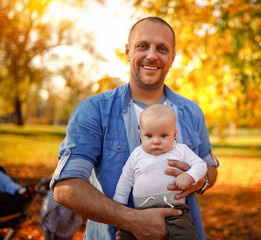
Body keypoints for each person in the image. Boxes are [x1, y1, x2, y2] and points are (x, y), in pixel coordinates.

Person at [50, 16, 219, 240]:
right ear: (128, 52)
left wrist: (199, 178)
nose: (151, 55)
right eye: (142, 46)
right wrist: (132, 220)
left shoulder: (192, 111)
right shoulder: (93, 110)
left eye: (162, 48)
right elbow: (66, 187)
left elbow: (210, 169)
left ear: (172, 58)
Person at [113, 104, 207, 240]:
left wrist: (189, 176)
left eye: (163, 135)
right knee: (124, 235)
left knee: (185, 234)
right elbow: (126, 179)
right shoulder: (136, 154)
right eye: (149, 136)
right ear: (140, 134)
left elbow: (201, 164)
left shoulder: (181, 150)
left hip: (176, 211)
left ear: (174, 134)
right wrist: (119, 204)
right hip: (140, 213)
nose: (156, 141)